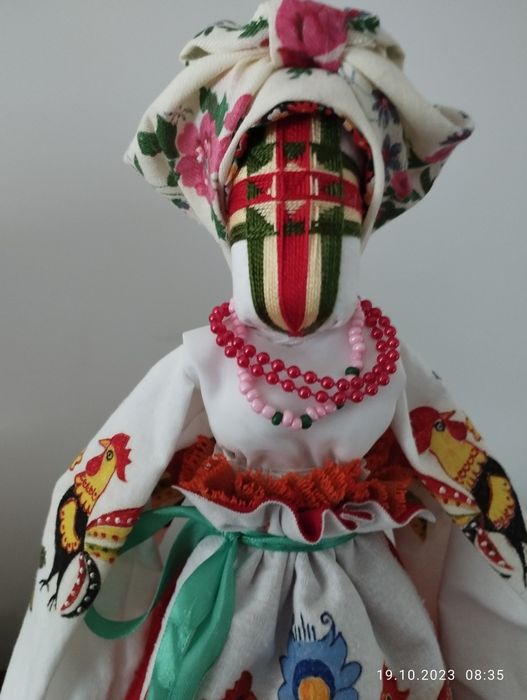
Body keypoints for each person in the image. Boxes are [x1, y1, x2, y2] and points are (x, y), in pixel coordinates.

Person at [3, 2, 526, 698]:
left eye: (326, 211)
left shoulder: (384, 361)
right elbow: (108, 480)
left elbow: (466, 481)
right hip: (227, 602)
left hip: (362, 593)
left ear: (361, 222)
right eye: (270, 210)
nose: (298, 234)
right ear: (230, 223)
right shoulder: (206, 359)